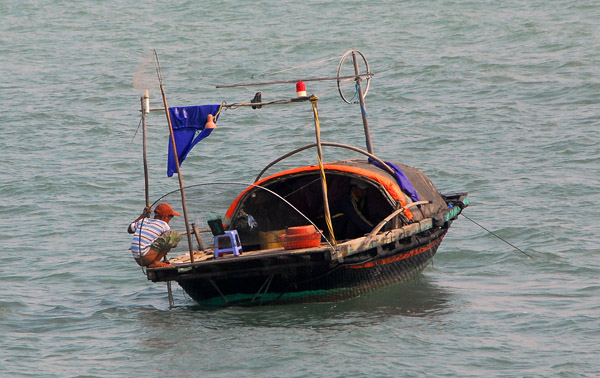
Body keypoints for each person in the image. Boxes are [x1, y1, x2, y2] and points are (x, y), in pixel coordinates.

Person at [128, 203, 182, 268]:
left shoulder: (143, 220)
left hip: (137, 258)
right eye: (170, 216)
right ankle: (155, 262)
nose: (170, 219)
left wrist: (143, 215)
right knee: (174, 236)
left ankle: (154, 261)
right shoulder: (163, 224)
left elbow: (129, 229)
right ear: (165, 216)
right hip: (145, 257)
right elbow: (171, 241)